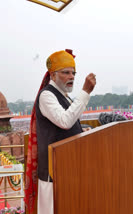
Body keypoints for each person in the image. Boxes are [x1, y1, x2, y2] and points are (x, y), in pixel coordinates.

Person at [25, 49, 96, 214]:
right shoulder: (47, 96)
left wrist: (81, 130)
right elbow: (65, 121)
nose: (71, 76)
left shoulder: (64, 96)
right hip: (53, 170)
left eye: (73, 73)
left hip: (67, 167)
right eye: (66, 72)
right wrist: (85, 92)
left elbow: (68, 123)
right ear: (53, 75)